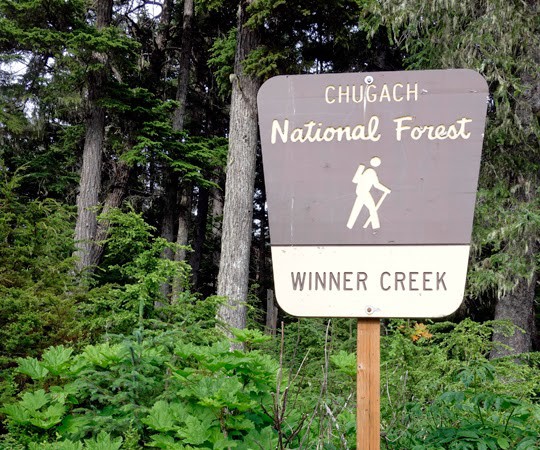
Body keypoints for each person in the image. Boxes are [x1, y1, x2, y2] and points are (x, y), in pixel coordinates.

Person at [347, 156, 391, 230]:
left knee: (358, 208)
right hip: (363, 192)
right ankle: (375, 226)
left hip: (360, 191)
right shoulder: (371, 172)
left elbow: (356, 180)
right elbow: (376, 184)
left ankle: (350, 225)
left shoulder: (366, 171)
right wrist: (386, 190)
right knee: (372, 208)